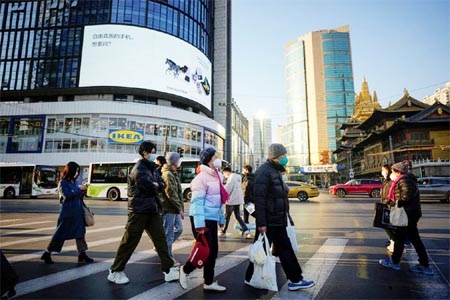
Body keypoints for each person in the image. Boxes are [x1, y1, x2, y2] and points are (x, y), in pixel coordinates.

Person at [245, 143, 315, 291]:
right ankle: (295, 279)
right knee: (282, 249)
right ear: (275, 157)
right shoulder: (265, 172)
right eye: (283, 156)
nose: (285, 158)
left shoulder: (274, 171)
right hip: (270, 220)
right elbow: (260, 199)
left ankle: (249, 277)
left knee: (264, 249)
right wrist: (261, 222)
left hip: (276, 218)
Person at [107, 141, 179, 285]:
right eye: (152, 151)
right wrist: (156, 185)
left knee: (161, 240)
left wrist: (157, 185)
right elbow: (148, 186)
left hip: (152, 209)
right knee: (130, 241)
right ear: (144, 153)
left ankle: (169, 269)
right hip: (138, 211)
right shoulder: (138, 169)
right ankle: (115, 271)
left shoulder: (152, 168)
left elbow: (161, 185)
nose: (153, 154)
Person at [179, 147, 227, 292]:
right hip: (202, 219)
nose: (217, 159)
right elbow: (197, 203)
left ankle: (208, 282)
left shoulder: (217, 175)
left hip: (211, 218)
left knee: (213, 252)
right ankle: (185, 270)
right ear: (208, 160)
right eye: (214, 157)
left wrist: (221, 218)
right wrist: (199, 225)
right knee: (205, 251)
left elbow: (218, 201)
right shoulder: (200, 179)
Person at [378, 161, 433, 275]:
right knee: (412, 239)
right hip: (409, 214)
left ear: (398, 172)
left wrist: (392, 203)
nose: (391, 173)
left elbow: (405, 197)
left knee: (400, 239)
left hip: (407, 214)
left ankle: (395, 263)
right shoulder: (403, 180)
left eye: (393, 171)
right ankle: (424, 265)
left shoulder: (405, 181)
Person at [41, 161, 94, 264]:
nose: (77, 173)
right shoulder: (63, 182)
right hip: (68, 214)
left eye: (78, 171)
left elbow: (75, 195)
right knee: (60, 234)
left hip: (77, 213)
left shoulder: (73, 182)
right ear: (70, 171)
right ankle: (47, 253)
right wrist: (79, 190)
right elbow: (67, 195)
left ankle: (82, 254)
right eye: (76, 171)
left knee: (80, 234)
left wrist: (83, 190)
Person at [161, 152, 184, 266]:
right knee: (169, 235)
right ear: (174, 162)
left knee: (179, 229)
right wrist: (179, 208)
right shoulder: (167, 174)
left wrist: (181, 208)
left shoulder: (173, 173)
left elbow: (178, 192)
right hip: (169, 208)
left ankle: (163, 247)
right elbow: (171, 193)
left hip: (174, 208)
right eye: (178, 160)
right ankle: (168, 258)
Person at [220, 167, 250, 239]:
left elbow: (228, 189)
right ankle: (245, 229)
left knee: (227, 216)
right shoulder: (237, 177)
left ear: (227, 172)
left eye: (224, 173)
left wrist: (223, 192)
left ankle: (223, 231)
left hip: (231, 200)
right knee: (237, 215)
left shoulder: (231, 178)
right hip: (237, 199)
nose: (224, 175)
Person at [380, 164, 396, 252]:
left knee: (388, 225)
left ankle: (394, 242)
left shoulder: (391, 181)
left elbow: (392, 195)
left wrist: (386, 202)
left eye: (384, 170)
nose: (382, 172)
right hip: (386, 205)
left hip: (390, 206)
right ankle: (392, 240)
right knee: (387, 225)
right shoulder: (386, 181)